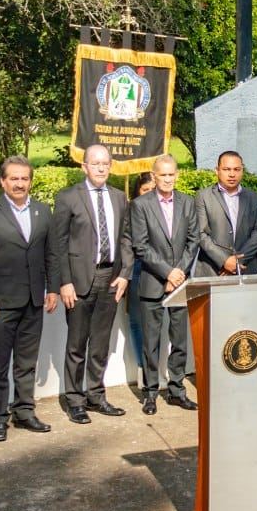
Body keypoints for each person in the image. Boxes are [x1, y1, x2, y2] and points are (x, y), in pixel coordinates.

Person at [51, 144, 132, 424]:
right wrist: (64, 282)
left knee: (100, 343)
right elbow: (58, 245)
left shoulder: (120, 198)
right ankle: (75, 400)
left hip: (110, 279)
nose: (100, 168)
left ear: (110, 166)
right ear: (84, 166)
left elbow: (125, 239)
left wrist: (125, 274)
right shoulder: (68, 198)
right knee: (77, 344)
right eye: (95, 163)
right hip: (79, 280)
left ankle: (96, 396)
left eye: (105, 163)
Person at [0, 156, 56, 440]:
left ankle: (25, 411)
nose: (20, 183)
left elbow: (51, 253)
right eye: (14, 178)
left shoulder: (43, 211)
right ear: (2, 181)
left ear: (30, 181)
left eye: (24, 178)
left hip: (34, 299)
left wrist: (53, 288)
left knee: (26, 362)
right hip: (0, 302)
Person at [129, 154, 200, 415]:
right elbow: (140, 246)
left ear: (177, 175)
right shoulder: (140, 205)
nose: (168, 179)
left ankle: (177, 390)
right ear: (154, 175)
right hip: (152, 283)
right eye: (163, 175)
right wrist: (168, 272)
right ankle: (150, 392)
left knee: (180, 340)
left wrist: (179, 272)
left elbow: (193, 240)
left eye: (172, 174)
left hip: (180, 284)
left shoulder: (187, 203)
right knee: (151, 342)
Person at [195, 150, 257, 276]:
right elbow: (200, 233)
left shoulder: (254, 198)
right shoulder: (203, 196)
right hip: (213, 270)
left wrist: (238, 261)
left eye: (236, 169)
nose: (232, 174)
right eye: (227, 169)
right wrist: (224, 260)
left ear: (242, 171)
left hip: (244, 268)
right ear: (217, 170)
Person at [126, 173, 156, 388]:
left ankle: (154, 369)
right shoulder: (131, 210)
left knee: (155, 323)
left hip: (160, 270)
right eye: (145, 190)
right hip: (136, 268)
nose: (149, 194)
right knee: (137, 322)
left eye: (152, 190)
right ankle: (142, 368)